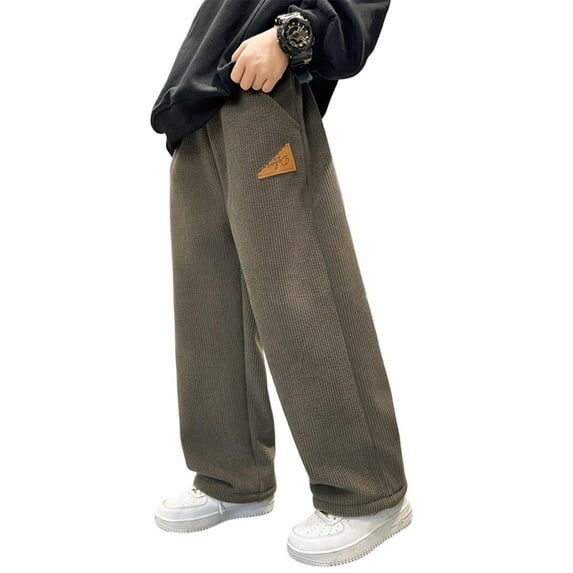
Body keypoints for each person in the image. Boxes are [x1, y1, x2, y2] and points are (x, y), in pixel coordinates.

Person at [150, 0, 412, 566]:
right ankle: (231, 477)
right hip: (196, 109)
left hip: (260, 90)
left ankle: (366, 491)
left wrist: (293, 36)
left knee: (302, 290)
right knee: (208, 306)